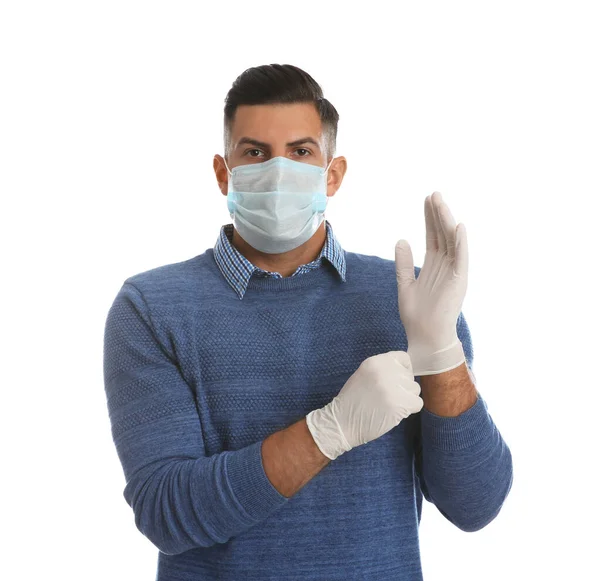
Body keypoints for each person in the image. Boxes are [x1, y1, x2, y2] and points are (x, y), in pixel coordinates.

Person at [103, 63, 513, 581]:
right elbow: (167, 511)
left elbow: (475, 505)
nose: (278, 172)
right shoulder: (152, 308)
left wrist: (440, 352)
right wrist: (328, 430)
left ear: (333, 174)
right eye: (255, 152)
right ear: (222, 172)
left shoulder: (407, 300)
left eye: (300, 152)